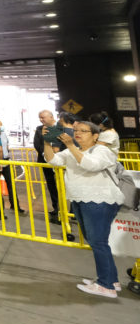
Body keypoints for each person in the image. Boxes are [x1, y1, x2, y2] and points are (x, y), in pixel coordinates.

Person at [44, 120, 125, 298]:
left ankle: (106, 286)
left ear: (95, 136)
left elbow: (90, 165)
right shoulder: (74, 150)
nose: (77, 133)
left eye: (83, 131)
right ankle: (111, 280)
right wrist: (47, 141)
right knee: (96, 241)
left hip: (100, 200)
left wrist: (71, 145)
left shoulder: (103, 151)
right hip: (80, 198)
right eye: (75, 130)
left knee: (98, 242)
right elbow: (53, 161)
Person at [34, 110, 66, 222]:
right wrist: (48, 156)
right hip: (46, 162)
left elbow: (65, 144)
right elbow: (37, 145)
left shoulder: (62, 127)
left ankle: (68, 210)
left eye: (43, 117)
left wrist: (57, 155)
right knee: (51, 186)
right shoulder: (39, 129)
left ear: (51, 117)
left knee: (64, 186)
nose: (41, 119)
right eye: (40, 118)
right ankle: (56, 208)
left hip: (61, 162)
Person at [0, 118, 24, 214]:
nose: (1, 125)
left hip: (6, 160)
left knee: (11, 184)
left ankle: (15, 206)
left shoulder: (4, 134)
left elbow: (6, 146)